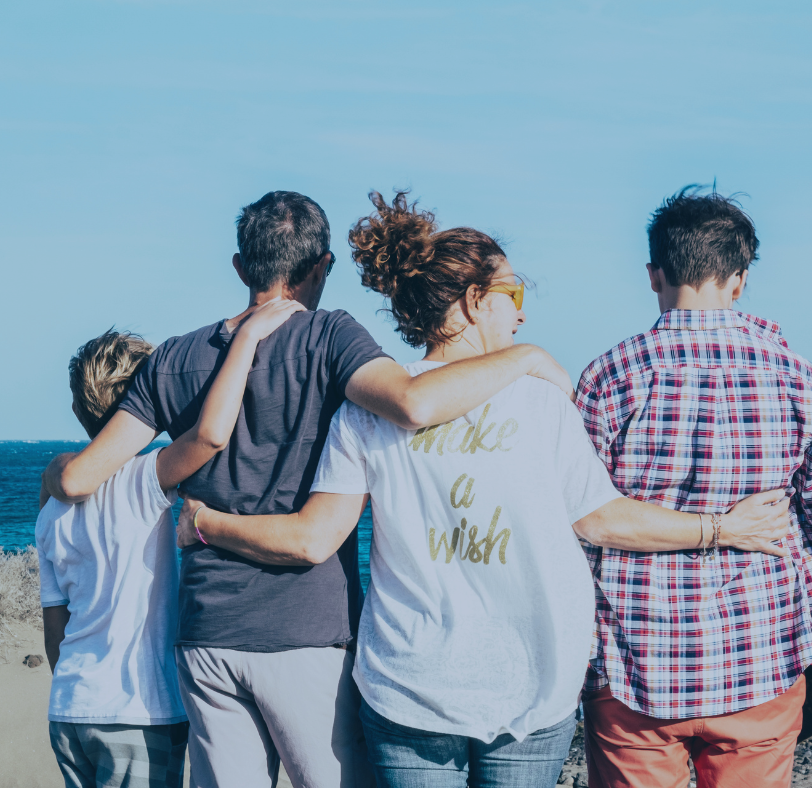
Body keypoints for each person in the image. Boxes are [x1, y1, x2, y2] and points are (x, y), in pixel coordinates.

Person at [172, 190, 792, 788]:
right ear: (474, 301)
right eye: (512, 292)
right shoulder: (539, 396)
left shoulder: (363, 412)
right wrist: (721, 529)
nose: (521, 311)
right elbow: (601, 520)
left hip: (407, 685)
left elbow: (314, 538)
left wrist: (206, 521)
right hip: (532, 681)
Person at [41, 191, 577, 788]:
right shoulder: (330, 338)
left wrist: (59, 473)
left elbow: (80, 478)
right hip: (306, 631)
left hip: (206, 634)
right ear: (321, 265)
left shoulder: (173, 357)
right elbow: (410, 402)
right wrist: (525, 358)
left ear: (242, 267)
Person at [575, 187, 812, 788]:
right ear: (740, 278)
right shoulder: (798, 378)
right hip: (762, 659)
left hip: (633, 666)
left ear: (655, 274)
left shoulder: (608, 377)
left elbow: (577, 521)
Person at [36, 299, 302, 788]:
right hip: (137, 707)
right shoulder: (144, 481)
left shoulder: (49, 509)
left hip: (69, 708)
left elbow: (55, 632)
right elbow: (207, 436)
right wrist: (246, 340)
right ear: (147, 402)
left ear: (77, 409)